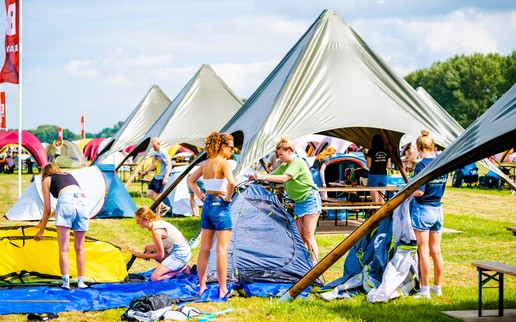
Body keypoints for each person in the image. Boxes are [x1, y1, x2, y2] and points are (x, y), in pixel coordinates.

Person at [249, 136, 321, 263]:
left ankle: (315, 265)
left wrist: (263, 178)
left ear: (289, 151)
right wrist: (257, 176)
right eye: (278, 155)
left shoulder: (297, 162)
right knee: (298, 236)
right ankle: (304, 263)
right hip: (299, 202)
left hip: (310, 199)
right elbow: (270, 176)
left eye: (281, 154)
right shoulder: (284, 165)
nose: (279, 157)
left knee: (308, 235)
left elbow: (283, 179)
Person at [187, 132, 236, 298]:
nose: (233, 151)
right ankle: (222, 289)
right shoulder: (224, 163)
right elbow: (232, 182)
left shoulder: (206, 163)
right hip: (220, 205)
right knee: (221, 250)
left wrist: (200, 194)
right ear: (223, 147)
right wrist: (228, 198)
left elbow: (190, 180)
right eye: (231, 148)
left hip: (207, 204)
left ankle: (202, 286)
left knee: (204, 250)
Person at [34, 163, 89, 289]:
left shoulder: (47, 180)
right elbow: (70, 203)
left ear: (44, 173)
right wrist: (42, 222)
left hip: (66, 203)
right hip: (82, 203)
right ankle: (81, 282)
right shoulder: (68, 175)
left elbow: (47, 209)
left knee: (64, 248)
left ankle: (66, 283)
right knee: (80, 248)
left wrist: (40, 231)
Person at [410, 129, 447, 299]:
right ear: (433, 147)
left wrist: (406, 192)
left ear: (418, 149)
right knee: (436, 251)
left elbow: (419, 191)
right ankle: (437, 287)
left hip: (423, 210)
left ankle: (424, 290)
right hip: (438, 210)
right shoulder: (442, 163)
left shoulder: (421, 165)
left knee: (423, 251)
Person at [132, 206, 192, 281]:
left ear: (146, 220)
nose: (137, 223)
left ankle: (181, 269)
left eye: (138, 220)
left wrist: (142, 255)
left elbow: (160, 255)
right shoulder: (156, 222)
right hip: (178, 248)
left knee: (155, 278)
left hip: (180, 254)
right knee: (148, 248)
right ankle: (173, 266)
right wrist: (148, 254)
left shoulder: (156, 231)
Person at [140, 137, 172, 215]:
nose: (153, 148)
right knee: (149, 194)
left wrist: (165, 178)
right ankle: (164, 207)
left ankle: (158, 214)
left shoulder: (163, 153)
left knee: (157, 198)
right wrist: (145, 171)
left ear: (159, 144)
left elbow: (169, 166)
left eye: (154, 146)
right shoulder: (155, 153)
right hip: (155, 177)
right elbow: (154, 164)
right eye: (152, 146)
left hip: (161, 178)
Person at [366, 134, 391, 206]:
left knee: (375, 201)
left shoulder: (371, 151)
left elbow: (368, 165)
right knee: (381, 200)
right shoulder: (387, 152)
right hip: (383, 176)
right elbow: (388, 166)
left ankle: (376, 215)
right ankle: (382, 217)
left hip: (373, 175)